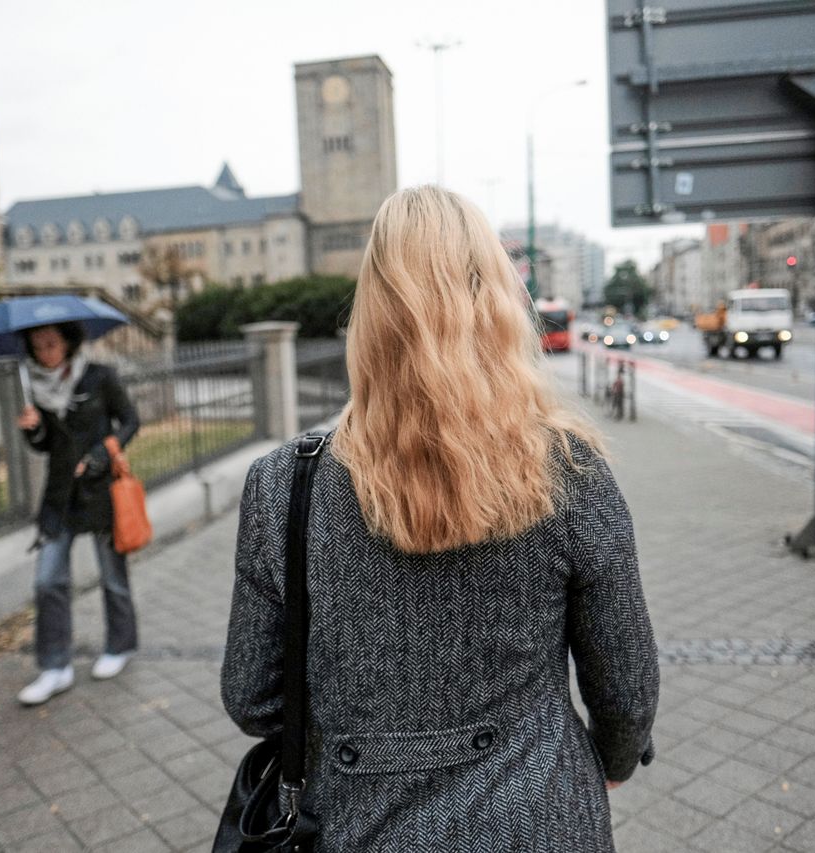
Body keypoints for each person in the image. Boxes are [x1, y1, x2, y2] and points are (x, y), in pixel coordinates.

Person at [221, 186, 658, 851]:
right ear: (499, 305)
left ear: (369, 316)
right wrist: (616, 761)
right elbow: (626, 689)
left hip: (354, 826)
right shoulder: (568, 472)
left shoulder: (286, 484)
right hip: (539, 819)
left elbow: (252, 696)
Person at [15, 322, 140, 706]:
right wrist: (33, 431)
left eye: (51, 343)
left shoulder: (99, 376)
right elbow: (46, 446)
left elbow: (131, 421)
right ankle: (55, 667)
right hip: (60, 496)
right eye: (37, 346)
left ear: (67, 343)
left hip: (100, 493)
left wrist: (103, 454)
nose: (45, 351)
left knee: (112, 577)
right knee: (47, 580)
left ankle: (120, 645)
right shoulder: (34, 387)